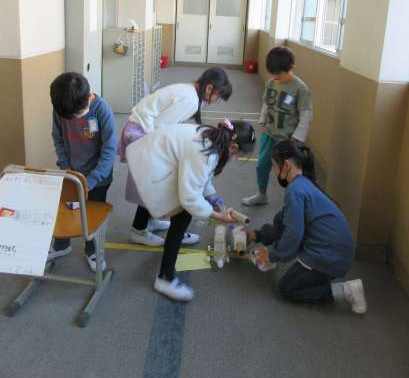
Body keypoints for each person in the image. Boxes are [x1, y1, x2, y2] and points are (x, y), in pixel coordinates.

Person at [126, 119, 256, 301]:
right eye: (238, 154)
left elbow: (202, 176)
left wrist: (211, 197)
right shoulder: (205, 152)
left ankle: (154, 231)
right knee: (183, 214)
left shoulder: (212, 139)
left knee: (183, 205)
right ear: (233, 147)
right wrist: (218, 216)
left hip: (154, 156)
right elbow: (190, 198)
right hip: (148, 163)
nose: (236, 158)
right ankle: (164, 279)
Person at [246, 140, 367, 314]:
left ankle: (345, 290)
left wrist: (272, 255)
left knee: (287, 288)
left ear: (286, 165)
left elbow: (293, 234)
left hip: (329, 255)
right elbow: (283, 223)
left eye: (274, 167)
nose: (274, 172)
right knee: (284, 229)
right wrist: (257, 235)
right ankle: (317, 276)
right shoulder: (303, 183)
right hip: (337, 250)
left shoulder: (295, 191)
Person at [118, 67, 232, 247]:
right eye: (218, 97)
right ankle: (138, 231)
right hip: (141, 133)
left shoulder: (190, 92)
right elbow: (162, 128)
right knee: (160, 183)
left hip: (141, 128)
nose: (216, 101)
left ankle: (149, 221)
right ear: (209, 88)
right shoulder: (191, 99)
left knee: (156, 182)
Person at [48, 72, 117, 272]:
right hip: (72, 173)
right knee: (68, 208)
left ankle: (92, 250)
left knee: (92, 214)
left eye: (76, 115)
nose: (72, 119)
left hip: (99, 177)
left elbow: (109, 150)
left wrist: (91, 180)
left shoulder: (101, 110)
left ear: (88, 98)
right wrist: (66, 168)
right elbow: (58, 139)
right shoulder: (61, 108)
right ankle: (62, 245)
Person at [242, 46, 312, 206]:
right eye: (273, 74)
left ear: (291, 67)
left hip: (287, 139)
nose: (276, 77)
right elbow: (267, 104)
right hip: (270, 134)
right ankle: (262, 194)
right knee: (262, 166)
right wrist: (262, 120)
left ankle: (294, 202)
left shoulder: (300, 88)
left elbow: (306, 115)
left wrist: (296, 138)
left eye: (280, 74)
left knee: (289, 172)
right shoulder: (272, 83)